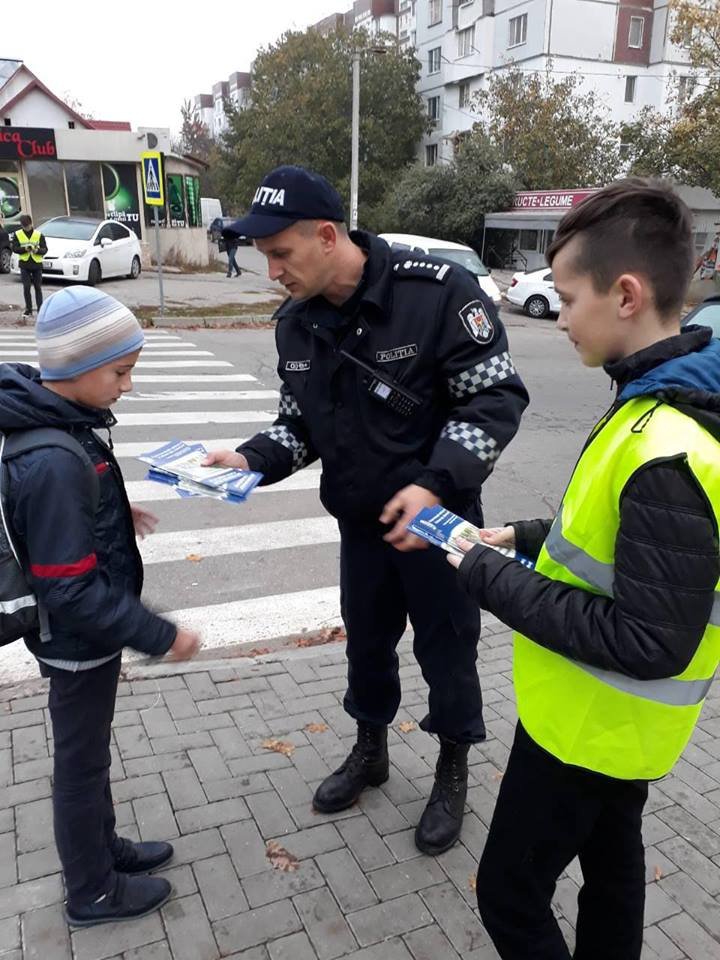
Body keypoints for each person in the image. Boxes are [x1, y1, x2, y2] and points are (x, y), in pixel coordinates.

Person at [205, 165, 529, 854]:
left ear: (326, 235)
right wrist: (250, 459)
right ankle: (371, 749)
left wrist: (437, 481)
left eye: (281, 254)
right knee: (368, 645)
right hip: (361, 525)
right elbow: (298, 427)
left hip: (440, 526)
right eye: (264, 258)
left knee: (448, 651)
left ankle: (451, 766)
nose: (272, 274)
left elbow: (494, 401)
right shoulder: (295, 325)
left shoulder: (436, 294)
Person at [449, 179, 720, 958]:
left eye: (567, 298)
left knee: (508, 894)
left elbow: (648, 638)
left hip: (589, 729)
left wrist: (484, 573)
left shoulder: (666, 443)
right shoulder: (659, 402)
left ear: (626, 293)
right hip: (619, 726)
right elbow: (621, 545)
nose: (558, 315)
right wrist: (528, 537)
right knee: (612, 869)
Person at [0, 286, 202, 927]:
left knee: (88, 757)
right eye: (120, 371)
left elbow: (60, 522)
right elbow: (69, 589)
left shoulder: (59, 421)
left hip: (80, 635)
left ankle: (104, 850)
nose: (128, 385)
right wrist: (159, 635)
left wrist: (115, 510)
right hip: (78, 640)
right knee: (81, 765)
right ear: (77, 367)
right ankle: (91, 891)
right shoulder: (54, 456)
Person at [11, 213, 47, 319]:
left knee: (38, 288)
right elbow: (15, 248)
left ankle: (40, 309)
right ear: (22, 226)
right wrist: (24, 249)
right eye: (24, 227)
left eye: (28, 226)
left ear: (31, 224)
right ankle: (28, 309)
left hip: (36, 264)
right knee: (26, 287)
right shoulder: (18, 234)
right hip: (25, 264)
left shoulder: (39, 234)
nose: (26, 228)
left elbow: (45, 249)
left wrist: (37, 250)